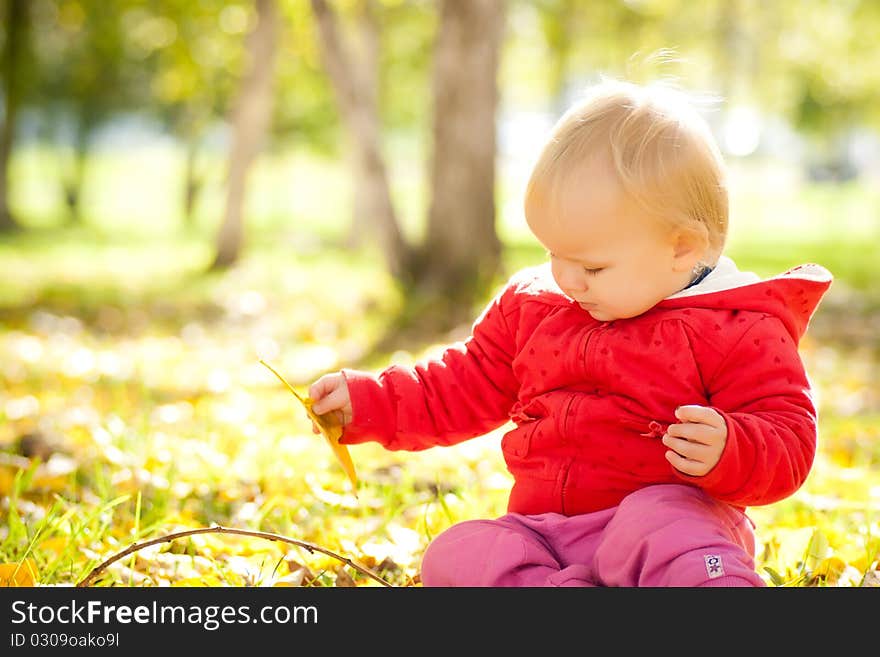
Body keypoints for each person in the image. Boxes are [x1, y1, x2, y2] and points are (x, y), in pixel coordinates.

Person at [308, 78, 833, 587]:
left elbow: (788, 433)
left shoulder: (737, 327)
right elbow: (460, 384)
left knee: (664, 528)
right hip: (546, 536)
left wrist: (731, 448)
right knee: (456, 554)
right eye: (553, 253)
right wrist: (370, 401)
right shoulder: (535, 308)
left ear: (681, 249)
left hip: (670, 527)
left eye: (592, 266)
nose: (565, 277)